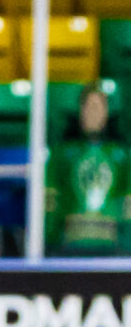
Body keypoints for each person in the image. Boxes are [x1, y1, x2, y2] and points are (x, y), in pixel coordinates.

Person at [47, 80, 128, 255]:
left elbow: (127, 205)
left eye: (98, 107)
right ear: (81, 112)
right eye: (89, 107)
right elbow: (50, 203)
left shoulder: (122, 156)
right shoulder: (61, 154)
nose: (93, 113)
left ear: (106, 113)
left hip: (111, 249)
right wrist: (49, 244)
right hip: (70, 248)